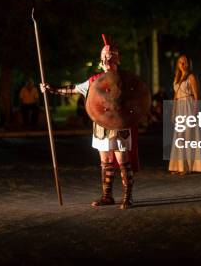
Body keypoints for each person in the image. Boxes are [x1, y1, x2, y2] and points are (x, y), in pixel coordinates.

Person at [41, 34, 138, 209]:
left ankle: (127, 196)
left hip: (118, 125)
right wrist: (52, 89)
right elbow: (74, 89)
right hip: (101, 126)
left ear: (117, 59)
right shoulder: (94, 80)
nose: (107, 61)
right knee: (106, 162)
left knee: (122, 161)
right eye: (105, 58)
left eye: (110, 58)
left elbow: (136, 101)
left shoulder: (125, 80)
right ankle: (107, 196)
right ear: (101, 60)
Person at [168, 54, 201, 174]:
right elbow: (175, 96)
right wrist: (173, 111)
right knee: (179, 137)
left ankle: (188, 166)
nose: (183, 65)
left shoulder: (191, 77)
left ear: (188, 63)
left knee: (188, 136)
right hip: (180, 107)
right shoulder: (177, 77)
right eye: (180, 62)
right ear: (177, 64)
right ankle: (180, 166)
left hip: (188, 105)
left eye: (185, 62)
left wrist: (194, 112)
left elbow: (197, 96)